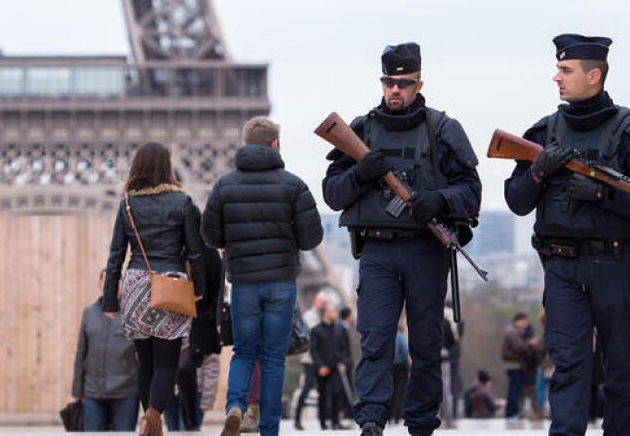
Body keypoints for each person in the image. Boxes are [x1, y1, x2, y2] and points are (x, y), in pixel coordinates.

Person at [503, 33, 630, 436]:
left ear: (593, 75)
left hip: (616, 263)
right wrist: (538, 172)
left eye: (565, 70)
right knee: (567, 366)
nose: (556, 77)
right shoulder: (544, 132)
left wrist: (603, 195)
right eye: (558, 69)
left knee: (619, 367)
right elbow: (516, 200)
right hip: (561, 266)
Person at [322, 42, 482, 436]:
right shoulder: (360, 130)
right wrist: (361, 174)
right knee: (375, 337)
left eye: (403, 83)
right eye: (389, 82)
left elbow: (471, 192)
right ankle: (372, 420)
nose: (395, 90)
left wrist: (438, 200)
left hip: (425, 251)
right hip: (377, 249)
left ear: (419, 83)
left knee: (425, 345)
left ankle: (421, 422)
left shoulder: (443, 130)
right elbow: (332, 193)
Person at [202, 116, 323, 436]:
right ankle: (269, 429)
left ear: (246, 144)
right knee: (273, 358)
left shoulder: (224, 185)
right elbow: (312, 239)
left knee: (244, 351)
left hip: (243, 283)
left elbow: (210, 236)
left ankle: (235, 406)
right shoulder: (294, 185)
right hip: (282, 282)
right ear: (275, 145)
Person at [103, 142, 207, 436]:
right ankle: (152, 416)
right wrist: (198, 288)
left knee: (145, 362)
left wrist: (110, 299)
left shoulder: (127, 204)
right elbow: (196, 251)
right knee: (166, 363)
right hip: (170, 285)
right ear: (167, 166)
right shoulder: (183, 202)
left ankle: (150, 421)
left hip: (136, 285)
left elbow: (115, 256)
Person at [72, 268, 141, 431]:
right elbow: (81, 353)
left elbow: (144, 356)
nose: (111, 284)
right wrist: (77, 390)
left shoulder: (133, 316)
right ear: (99, 285)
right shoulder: (88, 313)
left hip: (126, 394)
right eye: (107, 280)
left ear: (123, 286)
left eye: (116, 280)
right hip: (93, 394)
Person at [175, 245, 225, 431]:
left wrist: (213, 317)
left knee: (184, 368)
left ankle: (191, 422)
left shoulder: (209, 252)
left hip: (199, 324)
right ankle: (190, 422)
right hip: (174, 320)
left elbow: (219, 287)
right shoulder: (173, 249)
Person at [311, 304, 351, 430]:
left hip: (336, 367)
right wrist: (320, 366)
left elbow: (344, 349)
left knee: (336, 394)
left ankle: (335, 422)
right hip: (322, 368)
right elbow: (314, 350)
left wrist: (343, 363)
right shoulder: (316, 330)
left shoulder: (339, 330)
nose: (335, 314)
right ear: (326, 313)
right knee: (322, 395)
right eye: (333, 311)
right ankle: (323, 422)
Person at [295, 292, 330, 429]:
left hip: (320, 359)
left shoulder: (321, 316)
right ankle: (297, 418)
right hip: (310, 359)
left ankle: (322, 421)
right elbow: (308, 338)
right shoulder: (310, 316)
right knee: (307, 388)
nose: (323, 305)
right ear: (316, 301)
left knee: (322, 390)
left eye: (324, 303)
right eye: (322, 302)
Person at [501, 313, 532, 418]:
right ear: (520, 320)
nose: (526, 324)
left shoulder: (512, 330)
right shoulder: (513, 332)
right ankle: (512, 412)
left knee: (513, 389)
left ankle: (512, 412)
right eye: (525, 321)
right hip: (514, 364)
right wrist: (530, 344)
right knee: (515, 389)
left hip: (513, 364)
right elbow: (520, 347)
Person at [390, 320, 410, 424]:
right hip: (401, 367)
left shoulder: (390, 336)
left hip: (390, 367)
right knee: (400, 392)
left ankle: (390, 414)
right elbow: (406, 351)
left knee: (391, 392)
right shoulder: (401, 337)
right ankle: (398, 415)